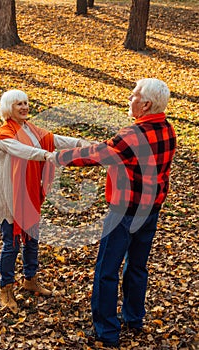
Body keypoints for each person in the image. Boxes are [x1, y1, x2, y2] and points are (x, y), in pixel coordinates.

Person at [48, 78, 177, 348]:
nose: (129, 99)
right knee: (137, 267)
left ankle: (107, 331)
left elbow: (97, 155)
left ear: (146, 104)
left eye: (133, 95)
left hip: (124, 212)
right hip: (150, 210)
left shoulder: (132, 135)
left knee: (107, 270)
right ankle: (134, 318)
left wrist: (58, 157)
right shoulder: (169, 129)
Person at [0, 89, 91, 314]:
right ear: (9, 107)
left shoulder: (32, 129)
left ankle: (30, 279)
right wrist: (46, 155)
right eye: (19, 104)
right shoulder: (3, 134)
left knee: (32, 238)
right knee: (12, 243)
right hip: (8, 196)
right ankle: (5, 289)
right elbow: (24, 151)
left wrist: (82, 143)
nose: (25, 107)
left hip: (28, 194)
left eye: (26, 103)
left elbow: (54, 140)